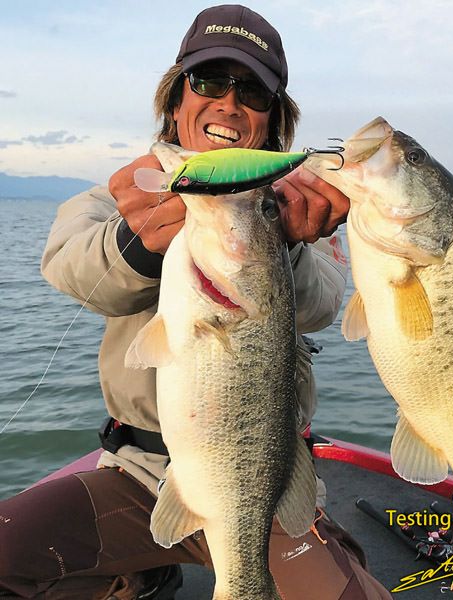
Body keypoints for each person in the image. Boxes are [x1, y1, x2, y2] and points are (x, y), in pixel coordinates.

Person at [0, 5, 391, 599]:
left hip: (259, 479)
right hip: (135, 473)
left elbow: (321, 304)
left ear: (273, 120)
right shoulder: (120, 196)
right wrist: (138, 243)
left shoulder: (297, 209)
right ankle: (140, 573)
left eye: (253, 92)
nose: (229, 103)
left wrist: (281, 239)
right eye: (209, 81)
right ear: (176, 100)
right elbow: (70, 268)